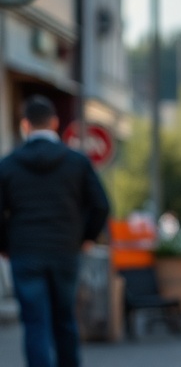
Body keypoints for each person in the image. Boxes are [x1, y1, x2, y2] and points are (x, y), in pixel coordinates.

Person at [0, 95, 110, 367]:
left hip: (25, 253)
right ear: (55, 123)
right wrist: (86, 237)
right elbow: (101, 205)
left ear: (25, 125)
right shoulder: (77, 162)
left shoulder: (8, 165)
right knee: (65, 321)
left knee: (35, 325)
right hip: (65, 251)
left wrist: (5, 245)